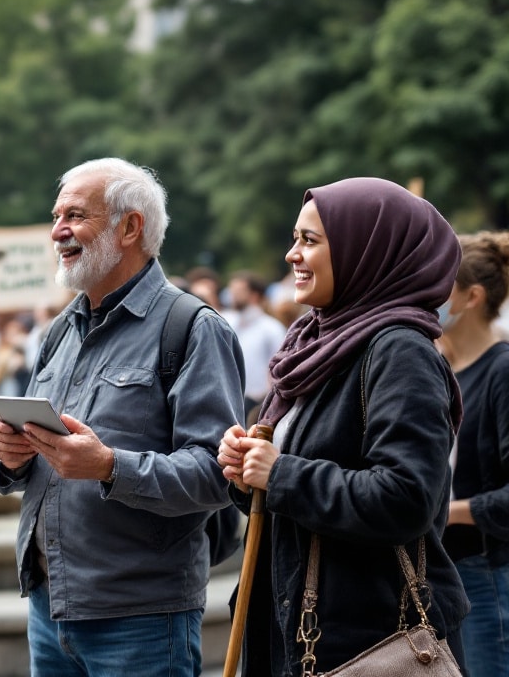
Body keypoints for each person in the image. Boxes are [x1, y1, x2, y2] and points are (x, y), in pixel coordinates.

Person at [0, 157, 244, 677]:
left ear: (131, 227)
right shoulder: (59, 330)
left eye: (76, 216)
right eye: (56, 216)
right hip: (49, 606)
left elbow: (218, 476)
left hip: (142, 618)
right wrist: (9, 457)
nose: (58, 231)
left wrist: (109, 466)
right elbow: (19, 464)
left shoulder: (192, 328)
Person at [218, 177, 470, 674]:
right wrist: (244, 470)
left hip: (367, 641)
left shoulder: (399, 351)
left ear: (367, 251)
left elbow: (406, 497)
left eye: (310, 241)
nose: (292, 254)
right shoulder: (311, 345)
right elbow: (284, 489)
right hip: (299, 632)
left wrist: (281, 472)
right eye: (294, 239)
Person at [438, 231, 509, 676]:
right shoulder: (441, 366)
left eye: (441, 281)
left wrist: (443, 512)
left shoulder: (502, 370)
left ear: (472, 297)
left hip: (486, 576)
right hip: (451, 573)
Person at [224, 271, 287, 419]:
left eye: (239, 291)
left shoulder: (272, 329)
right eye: (232, 290)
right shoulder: (226, 322)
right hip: (229, 401)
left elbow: (280, 369)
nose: (232, 295)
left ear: (254, 295)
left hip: (257, 405)